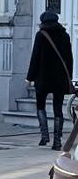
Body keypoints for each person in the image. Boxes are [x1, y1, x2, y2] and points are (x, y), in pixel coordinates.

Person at [26, 10, 73, 149]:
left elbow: (35, 58)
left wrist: (29, 77)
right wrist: (68, 77)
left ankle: (44, 136)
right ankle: (57, 141)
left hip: (43, 78)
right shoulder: (65, 35)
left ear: (43, 21)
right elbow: (69, 59)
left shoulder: (41, 35)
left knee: (40, 105)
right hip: (59, 79)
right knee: (58, 108)